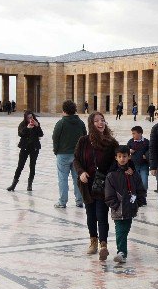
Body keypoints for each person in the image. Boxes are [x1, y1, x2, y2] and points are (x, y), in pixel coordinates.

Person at [74, 111, 119, 261]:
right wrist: (81, 172)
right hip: (87, 183)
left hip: (103, 184)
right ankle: (93, 240)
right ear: (91, 124)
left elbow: (117, 161)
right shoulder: (83, 141)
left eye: (103, 120)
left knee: (101, 214)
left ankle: (103, 244)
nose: (101, 123)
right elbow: (76, 160)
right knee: (90, 214)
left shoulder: (111, 143)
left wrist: (110, 176)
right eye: (97, 121)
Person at [104, 145, 147, 264]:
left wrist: (139, 202)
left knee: (126, 228)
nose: (122, 159)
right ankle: (121, 252)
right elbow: (108, 193)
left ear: (129, 157)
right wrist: (115, 205)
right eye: (120, 156)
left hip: (131, 207)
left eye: (124, 156)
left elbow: (140, 188)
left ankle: (122, 251)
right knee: (120, 230)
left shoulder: (132, 173)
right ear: (116, 158)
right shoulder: (111, 175)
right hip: (118, 209)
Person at [52, 100, 87, 209]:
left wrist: (56, 151)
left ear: (64, 110)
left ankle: (62, 202)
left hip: (63, 154)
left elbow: (55, 138)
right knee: (77, 178)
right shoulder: (80, 123)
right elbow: (85, 137)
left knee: (63, 178)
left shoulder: (61, 123)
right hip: (77, 155)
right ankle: (79, 200)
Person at [6, 111, 44, 192]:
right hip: (25, 147)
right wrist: (27, 128)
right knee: (20, 166)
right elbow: (20, 133)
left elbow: (41, 134)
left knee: (32, 166)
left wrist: (37, 126)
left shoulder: (36, 123)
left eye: (31, 117)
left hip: (34, 148)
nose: (30, 119)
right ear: (25, 118)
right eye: (29, 117)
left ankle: (29, 185)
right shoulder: (22, 124)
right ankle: (13, 185)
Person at [127, 126, 149, 198]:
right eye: (132, 134)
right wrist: (129, 151)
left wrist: (146, 155)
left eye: (134, 133)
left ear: (140, 133)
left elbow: (151, 151)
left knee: (144, 182)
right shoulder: (130, 141)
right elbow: (125, 152)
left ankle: (143, 196)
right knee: (135, 182)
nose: (133, 135)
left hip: (144, 165)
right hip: (134, 165)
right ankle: (137, 196)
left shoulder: (146, 142)